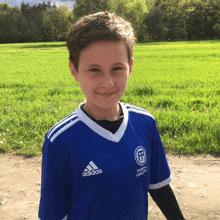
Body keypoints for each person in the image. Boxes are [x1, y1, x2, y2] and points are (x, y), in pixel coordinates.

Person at [38, 11, 185, 220]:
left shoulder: (145, 123)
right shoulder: (60, 140)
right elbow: (53, 214)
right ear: (75, 71)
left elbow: (159, 186)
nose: (108, 82)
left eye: (117, 68)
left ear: (130, 67)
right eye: (95, 70)